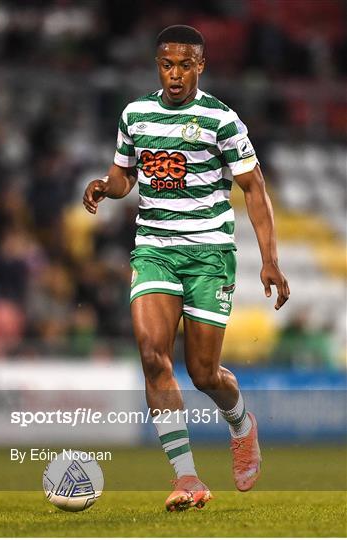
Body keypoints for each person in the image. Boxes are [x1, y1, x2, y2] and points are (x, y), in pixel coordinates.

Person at [83, 25, 290, 511]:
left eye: (185, 64)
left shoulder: (221, 120)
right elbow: (124, 176)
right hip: (154, 247)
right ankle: (188, 479)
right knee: (153, 356)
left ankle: (240, 422)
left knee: (202, 373)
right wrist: (104, 187)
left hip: (208, 254)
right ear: (158, 66)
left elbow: (254, 188)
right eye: (166, 64)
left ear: (201, 65)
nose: (175, 74)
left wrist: (270, 260)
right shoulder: (135, 114)